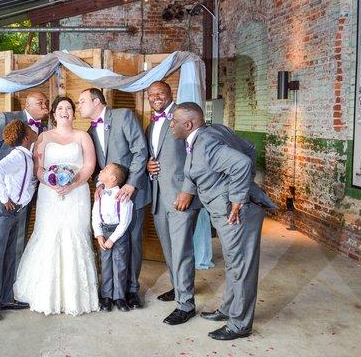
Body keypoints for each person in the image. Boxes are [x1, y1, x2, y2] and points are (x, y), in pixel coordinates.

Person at [170, 102, 276, 340]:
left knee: (241, 268)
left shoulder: (205, 142)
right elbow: (248, 148)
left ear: (188, 124)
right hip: (228, 211)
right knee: (234, 264)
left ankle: (239, 324)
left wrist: (238, 196)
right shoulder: (213, 131)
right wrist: (241, 185)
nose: (171, 125)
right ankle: (229, 310)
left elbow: (242, 162)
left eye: (174, 121)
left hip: (237, 214)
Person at [13, 96, 99, 316]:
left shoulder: (83, 136)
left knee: (75, 235)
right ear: (53, 113)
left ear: (74, 113)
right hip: (49, 195)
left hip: (77, 194)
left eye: (69, 108)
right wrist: (50, 182)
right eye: (60, 108)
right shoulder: (43, 137)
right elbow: (37, 167)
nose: (65, 111)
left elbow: (89, 165)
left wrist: (72, 185)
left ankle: (75, 296)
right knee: (49, 235)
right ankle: (45, 294)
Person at [0, 91, 49, 302]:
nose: (45, 105)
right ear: (27, 105)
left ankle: (9, 288)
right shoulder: (7, 119)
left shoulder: (46, 129)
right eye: (40, 102)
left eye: (47, 102)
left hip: (24, 196)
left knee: (17, 239)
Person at [78, 88, 150, 309]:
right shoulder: (88, 132)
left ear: (96, 101)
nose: (78, 105)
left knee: (133, 243)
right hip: (107, 199)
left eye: (82, 101)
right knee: (110, 247)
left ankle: (130, 291)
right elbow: (97, 166)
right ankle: (110, 292)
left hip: (132, 193)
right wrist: (99, 184)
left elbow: (140, 151)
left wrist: (131, 183)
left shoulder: (123, 116)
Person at [144, 81, 202, 325]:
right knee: (169, 248)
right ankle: (179, 288)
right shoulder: (150, 126)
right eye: (151, 94)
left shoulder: (185, 116)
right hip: (159, 196)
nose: (156, 97)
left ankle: (186, 304)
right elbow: (155, 157)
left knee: (181, 250)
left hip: (181, 197)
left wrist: (188, 190)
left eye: (161, 93)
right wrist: (148, 166)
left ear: (171, 95)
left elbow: (198, 154)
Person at [0, 120, 38, 322]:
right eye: (30, 129)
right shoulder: (17, 156)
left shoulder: (27, 157)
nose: (33, 129)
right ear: (26, 137)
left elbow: (25, 184)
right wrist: (4, 199)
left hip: (15, 211)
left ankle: (6, 298)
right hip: (2, 210)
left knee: (10, 254)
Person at [92, 163, 134, 313]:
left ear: (113, 178)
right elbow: (95, 216)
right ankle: (106, 296)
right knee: (105, 265)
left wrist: (112, 239)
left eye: (105, 170)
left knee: (120, 264)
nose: (101, 171)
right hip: (104, 233)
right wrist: (99, 235)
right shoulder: (100, 194)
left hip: (119, 235)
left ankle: (119, 297)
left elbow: (125, 222)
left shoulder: (123, 197)